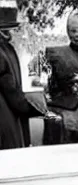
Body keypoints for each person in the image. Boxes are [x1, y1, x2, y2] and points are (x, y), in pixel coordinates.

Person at [44, 11, 78, 144]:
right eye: (73, 31)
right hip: (66, 114)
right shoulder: (56, 55)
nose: (77, 35)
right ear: (68, 32)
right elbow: (49, 87)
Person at [0, 2, 46, 150]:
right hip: (5, 116)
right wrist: (34, 107)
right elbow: (11, 91)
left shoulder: (6, 49)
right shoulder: (3, 52)